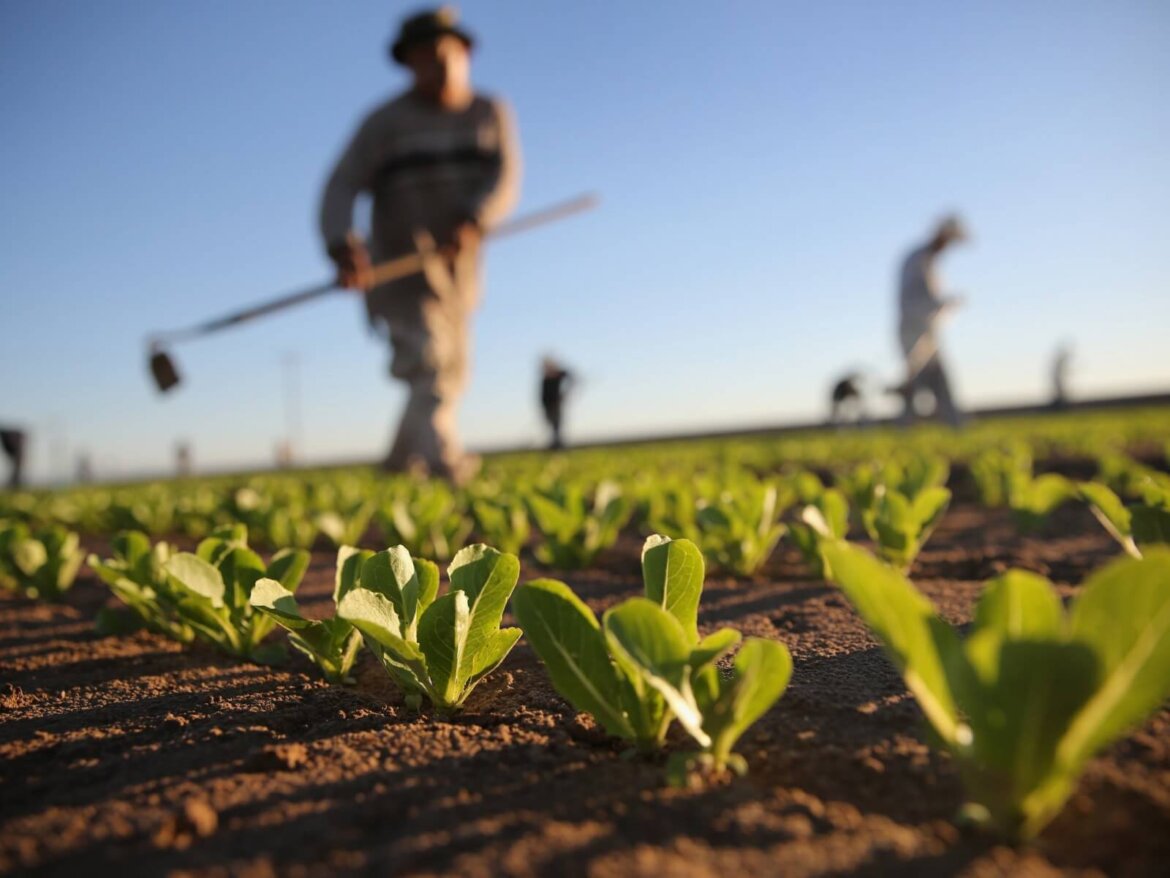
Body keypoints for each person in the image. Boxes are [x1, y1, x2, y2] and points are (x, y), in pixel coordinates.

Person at [319, 7, 521, 483]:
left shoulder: (489, 113)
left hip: (459, 272)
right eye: (427, 58)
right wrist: (342, 243)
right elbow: (341, 185)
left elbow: (505, 178)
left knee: (451, 370)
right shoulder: (383, 124)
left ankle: (396, 465)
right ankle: (444, 464)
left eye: (448, 55)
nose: (440, 65)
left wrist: (475, 217)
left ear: (466, 54)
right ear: (409, 63)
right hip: (399, 269)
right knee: (428, 364)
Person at [892, 215, 968, 427]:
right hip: (913, 332)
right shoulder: (918, 260)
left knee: (939, 381)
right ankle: (904, 429)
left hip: (928, 333)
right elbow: (915, 300)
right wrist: (945, 303)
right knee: (915, 383)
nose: (949, 246)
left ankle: (956, 426)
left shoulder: (929, 261)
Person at [539, 357, 574, 450]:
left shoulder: (558, 374)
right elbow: (543, 396)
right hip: (548, 407)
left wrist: (566, 392)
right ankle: (555, 444)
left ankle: (558, 445)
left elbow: (571, 377)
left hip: (556, 405)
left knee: (557, 425)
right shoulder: (545, 379)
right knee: (552, 426)